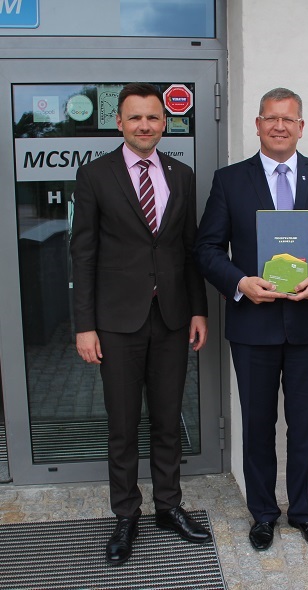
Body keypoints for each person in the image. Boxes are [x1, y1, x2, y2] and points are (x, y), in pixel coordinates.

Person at [195, 88, 308, 551]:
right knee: (258, 426)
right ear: (258, 124)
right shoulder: (230, 181)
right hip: (253, 326)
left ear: (301, 126)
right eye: (271, 118)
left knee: (305, 425)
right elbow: (207, 248)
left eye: (288, 119)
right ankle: (263, 514)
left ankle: (303, 511)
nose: (279, 126)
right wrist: (239, 282)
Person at [71, 83, 211, 565]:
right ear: (120, 123)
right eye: (135, 118)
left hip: (171, 317)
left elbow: (188, 250)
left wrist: (198, 309)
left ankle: (168, 507)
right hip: (116, 321)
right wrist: (84, 325)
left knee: (169, 419)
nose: (145, 125)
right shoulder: (95, 175)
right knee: (123, 424)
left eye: (153, 117)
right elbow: (83, 253)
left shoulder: (181, 175)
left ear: (164, 123)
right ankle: (126, 515)